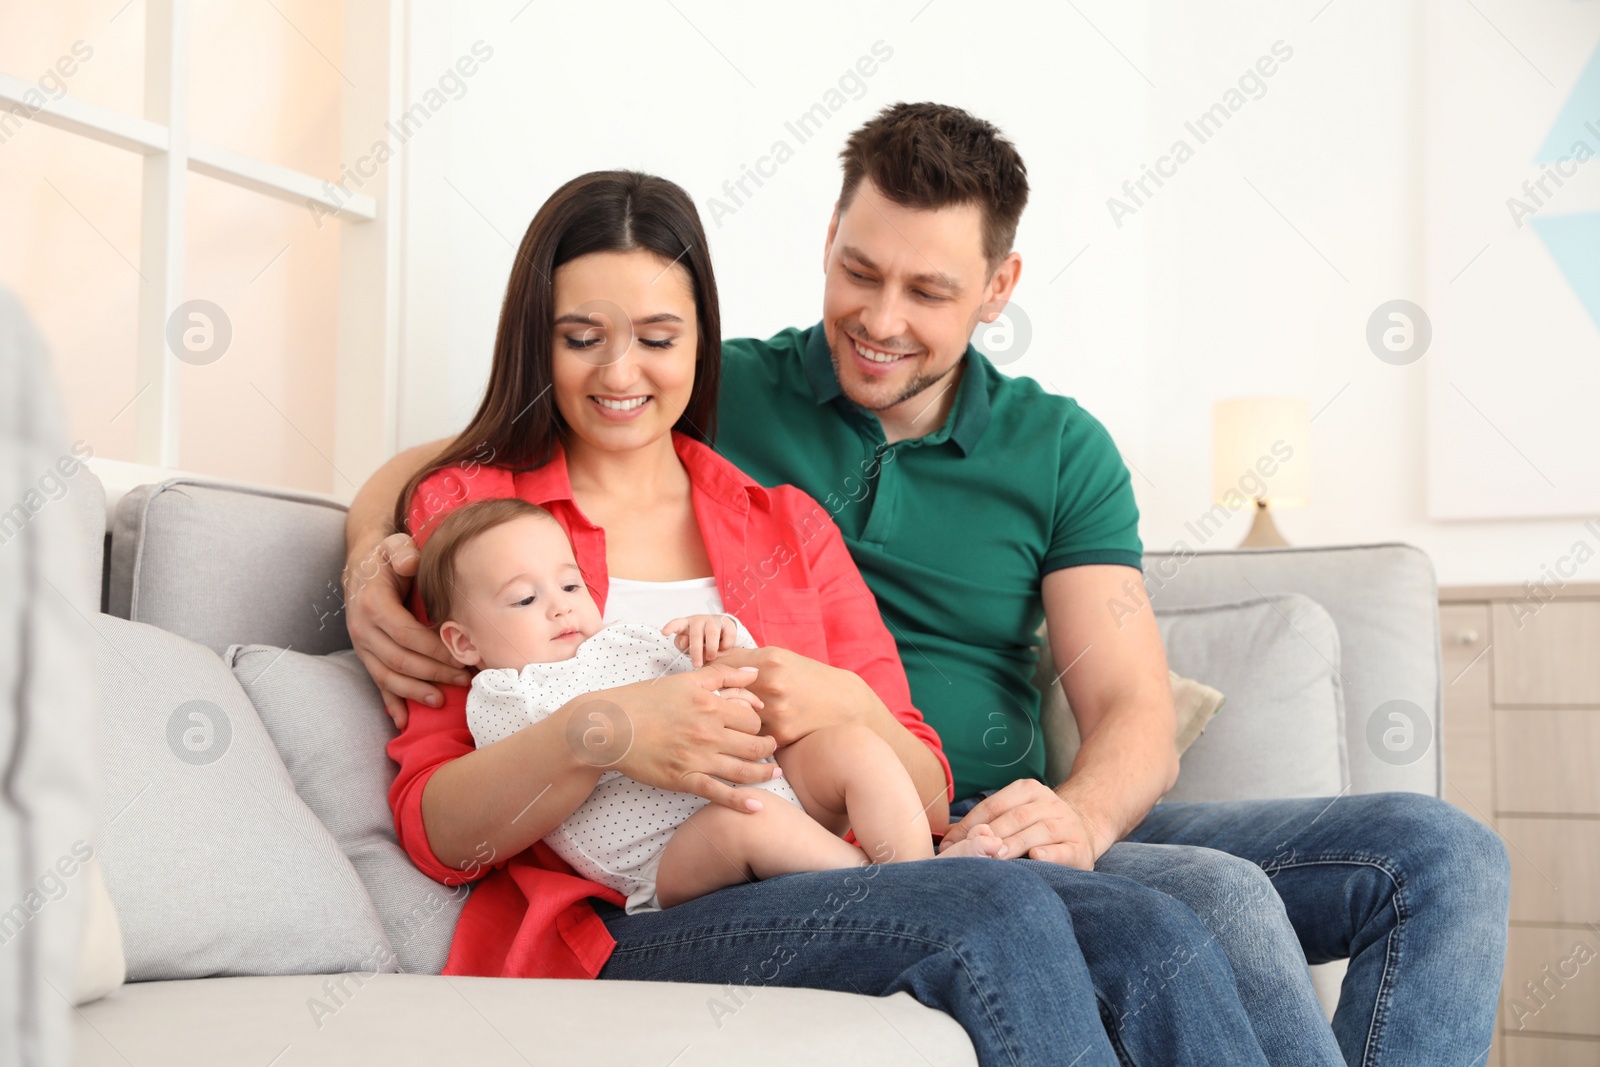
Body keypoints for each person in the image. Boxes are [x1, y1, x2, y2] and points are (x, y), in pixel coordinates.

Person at [352, 166, 1281, 1066]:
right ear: (537, 340)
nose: (620, 372)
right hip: (630, 915)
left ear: (701, 342)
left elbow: (920, 783)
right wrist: (604, 730)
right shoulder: (477, 525)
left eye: (660, 337)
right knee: (995, 911)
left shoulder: (786, 524)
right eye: (581, 336)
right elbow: (439, 832)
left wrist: (838, 705)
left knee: (1154, 925)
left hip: (827, 865)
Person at [415, 496, 1001, 915]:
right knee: (754, 820)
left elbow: (723, 686)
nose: (561, 608)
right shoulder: (506, 695)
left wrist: (717, 638)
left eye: (571, 586)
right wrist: (607, 733)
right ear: (465, 643)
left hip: (775, 790)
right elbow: (523, 782)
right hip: (670, 857)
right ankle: (899, 896)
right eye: (524, 598)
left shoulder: (622, 641)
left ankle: (921, 870)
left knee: (851, 745)